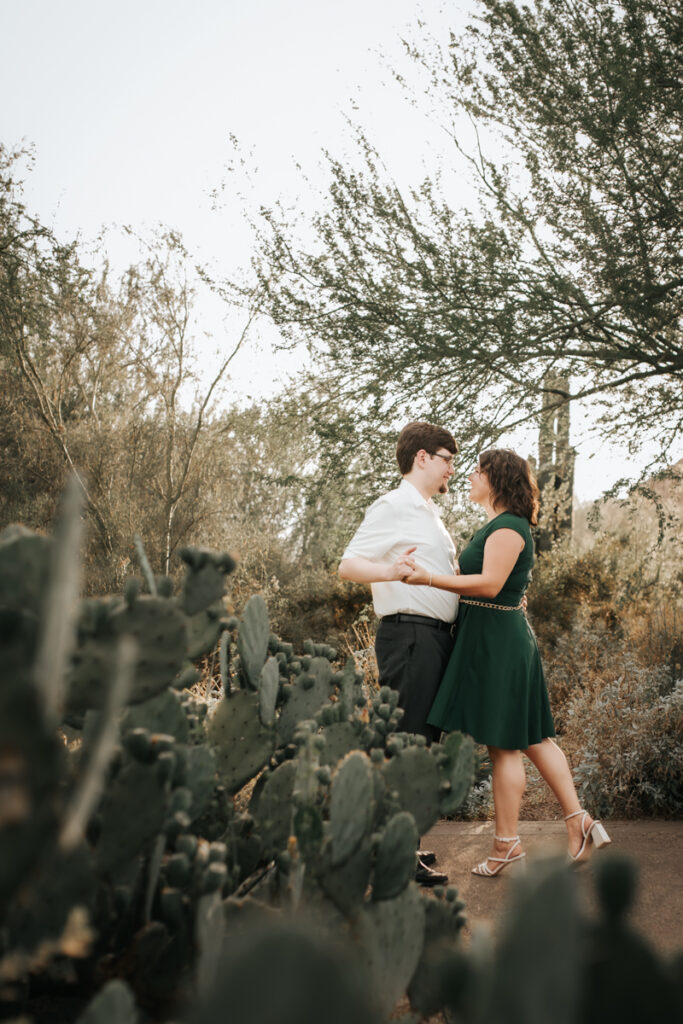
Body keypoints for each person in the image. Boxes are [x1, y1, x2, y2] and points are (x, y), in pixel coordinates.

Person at [402, 448, 611, 876]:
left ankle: (507, 845)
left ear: (497, 479)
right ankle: (579, 823)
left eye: (478, 471)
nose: (470, 477)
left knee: (506, 744)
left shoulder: (509, 527)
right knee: (531, 738)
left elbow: (491, 584)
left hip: (499, 643)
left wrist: (426, 578)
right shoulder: (502, 525)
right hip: (498, 637)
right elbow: (505, 584)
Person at [338, 421, 460, 885]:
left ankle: (403, 842)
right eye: (447, 457)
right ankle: (394, 854)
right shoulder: (392, 505)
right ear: (422, 458)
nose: (453, 467)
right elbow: (348, 564)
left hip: (433, 639)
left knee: (420, 746)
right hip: (408, 637)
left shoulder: (429, 512)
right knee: (407, 744)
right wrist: (390, 570)